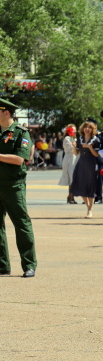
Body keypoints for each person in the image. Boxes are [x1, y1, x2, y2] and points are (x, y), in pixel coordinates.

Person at [0, 98, 37, 278]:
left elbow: (20, 159)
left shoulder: (21, 133)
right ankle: (2, 265)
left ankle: (29, 264)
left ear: (6, 112)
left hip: (13, 186)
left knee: (21, 224)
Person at [70, 119, 101, 218]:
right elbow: (76, 153)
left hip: (91, 164)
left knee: (90, 187)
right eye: (85, 127)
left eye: (89, 127)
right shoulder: (80, 139)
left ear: (93, 129)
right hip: (81, 163)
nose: (87, 129)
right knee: (80, 185)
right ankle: (89, 207)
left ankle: (90, 210)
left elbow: (96, 154)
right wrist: (74, 146)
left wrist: (89, 147)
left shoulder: (96, 140)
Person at [58, 124, 78, 204]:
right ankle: (70, 196)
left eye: (75, 129)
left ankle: (71, 196)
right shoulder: (67, 139)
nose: (74, 131)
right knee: (71, 178)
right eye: (72, 129)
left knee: (74, 178)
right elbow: (71, 149)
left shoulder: (75, 138)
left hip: (75, 158)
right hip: (70, 159)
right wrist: (76, 146)